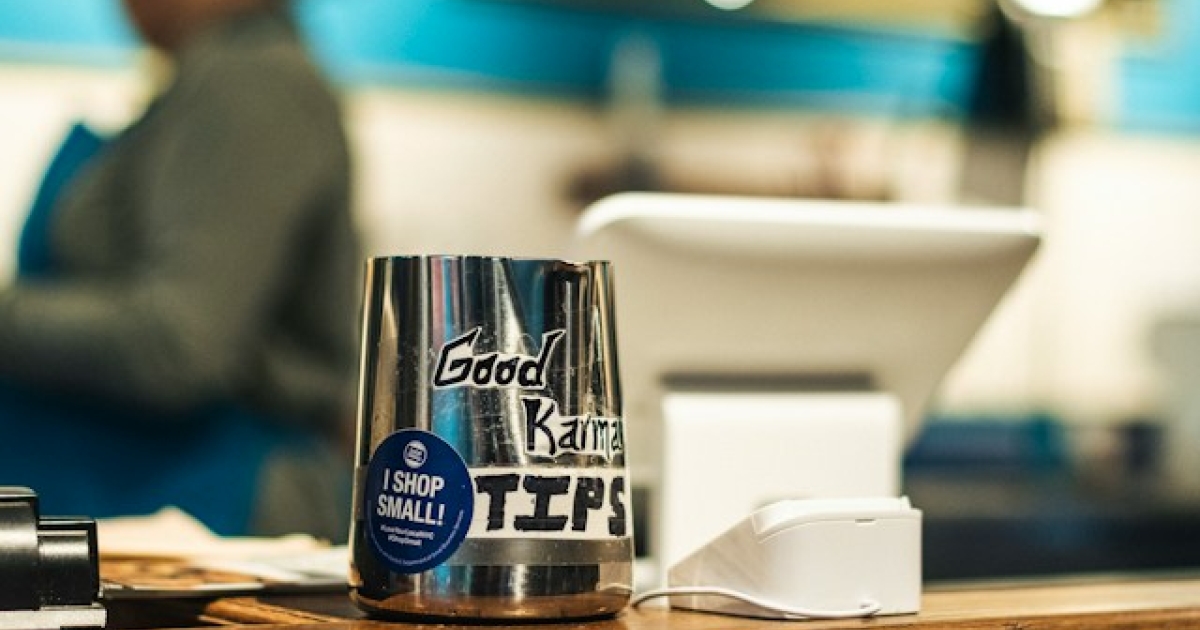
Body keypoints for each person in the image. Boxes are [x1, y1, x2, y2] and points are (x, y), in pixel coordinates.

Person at [0, 0, 362, 541]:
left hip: (209, 493)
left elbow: (177, 346)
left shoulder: (255, 82)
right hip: (133, 480)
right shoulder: (206, 81)